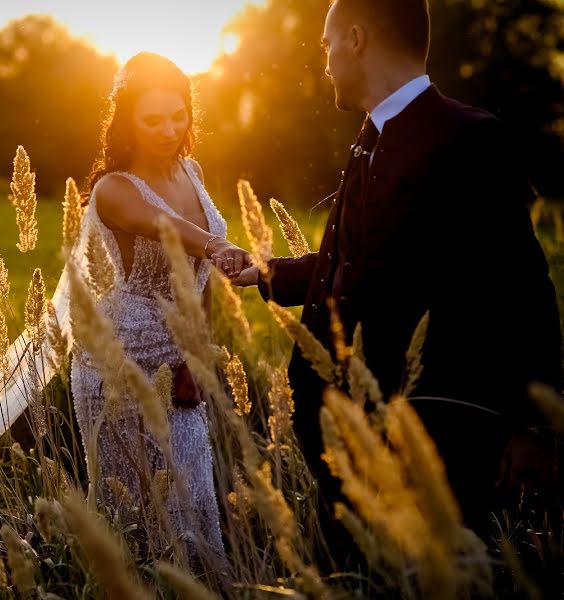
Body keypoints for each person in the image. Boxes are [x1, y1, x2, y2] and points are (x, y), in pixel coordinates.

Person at [231, 0, 562, 554]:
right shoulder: (370, 137)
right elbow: (361, 264)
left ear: (356, 39)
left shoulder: (469, 136)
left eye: (328, 43)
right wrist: (265, 272)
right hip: (352, 439)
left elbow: (525, 286)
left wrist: (533, 428)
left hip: (434, 440)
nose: (326, 60)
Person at [70, 52, 251, 573]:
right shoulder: (114, 188)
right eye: (152, 119)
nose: (168, 129)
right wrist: (219, 247)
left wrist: (198, 356)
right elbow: (165, 230)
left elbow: (199, 280)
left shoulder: (192, 171)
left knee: (193, 499)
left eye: (178, 116)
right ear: (126, 120)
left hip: (179, 352)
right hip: (120, 358)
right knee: (135, 512)